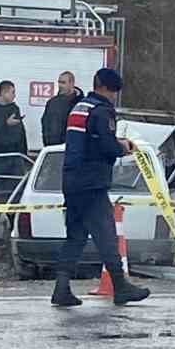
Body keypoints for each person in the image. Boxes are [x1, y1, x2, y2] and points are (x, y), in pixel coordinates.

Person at [52, 67, 151, 308]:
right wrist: (124, 147)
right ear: (106, 88)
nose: (114, 96)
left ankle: (61, 289)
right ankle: (120, 286)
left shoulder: (79, 107)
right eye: (114, 91)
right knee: (107, 234)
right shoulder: (102, 110)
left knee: (75, 236)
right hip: (91, 181)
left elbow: (85, 141)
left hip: (71, 179)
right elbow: (106, 146)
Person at [41, 71, 83, 146]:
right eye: (59, 82)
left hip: (72, 148)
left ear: (72, 83)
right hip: (52, 148)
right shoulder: (52, 102)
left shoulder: (80, 103)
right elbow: (45, 123)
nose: (60, 85)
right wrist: (47, 142)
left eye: (63, 83)